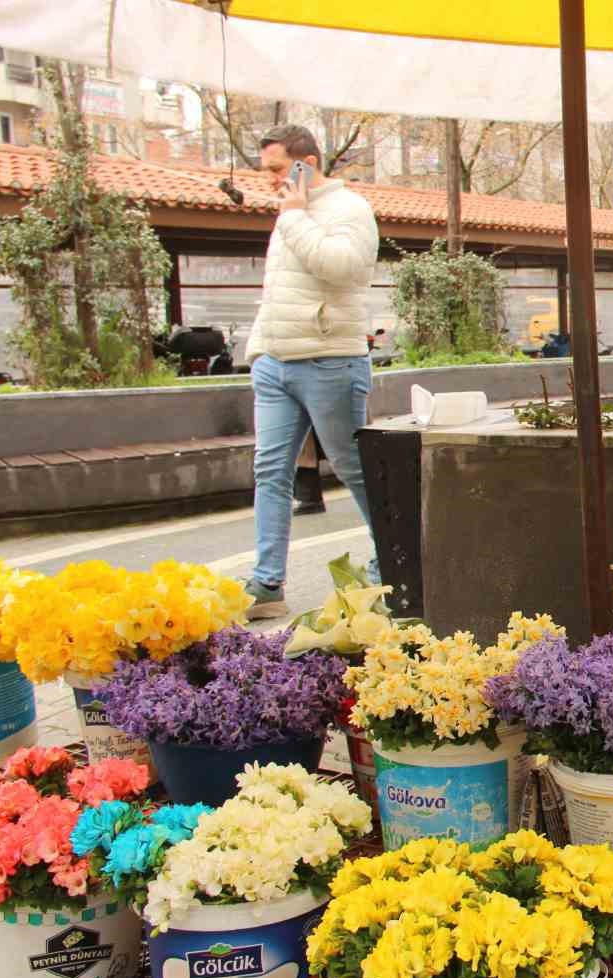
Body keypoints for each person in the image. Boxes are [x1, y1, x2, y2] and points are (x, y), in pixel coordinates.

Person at [242, 124, 381, 619]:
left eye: (278, 169)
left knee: (353, 467)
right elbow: (279, 287)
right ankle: (266, 584)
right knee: (269, 472)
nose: (272, 180)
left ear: (308, 163)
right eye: (268, 172)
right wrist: (259, 350)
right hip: (276, 363)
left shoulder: (348, 209)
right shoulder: (289, 213)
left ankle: (392, 563)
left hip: (329, 360)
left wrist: (295, 217)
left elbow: (343, 268)